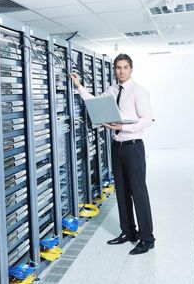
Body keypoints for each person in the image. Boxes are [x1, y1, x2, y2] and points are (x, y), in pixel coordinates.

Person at [69, 53, 154, 255]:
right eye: (118, 67)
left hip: (133, 146)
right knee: (122, 192)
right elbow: (96, 104)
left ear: (131, 69)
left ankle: (147, 238)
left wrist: (123, 127)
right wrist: (79, 86)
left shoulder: (139, 91)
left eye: (125, 67)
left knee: (138, 193)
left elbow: (147, 119)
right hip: (117, 148)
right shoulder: (112, 89)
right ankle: (128, 232)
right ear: (114, 69)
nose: (121, 71)